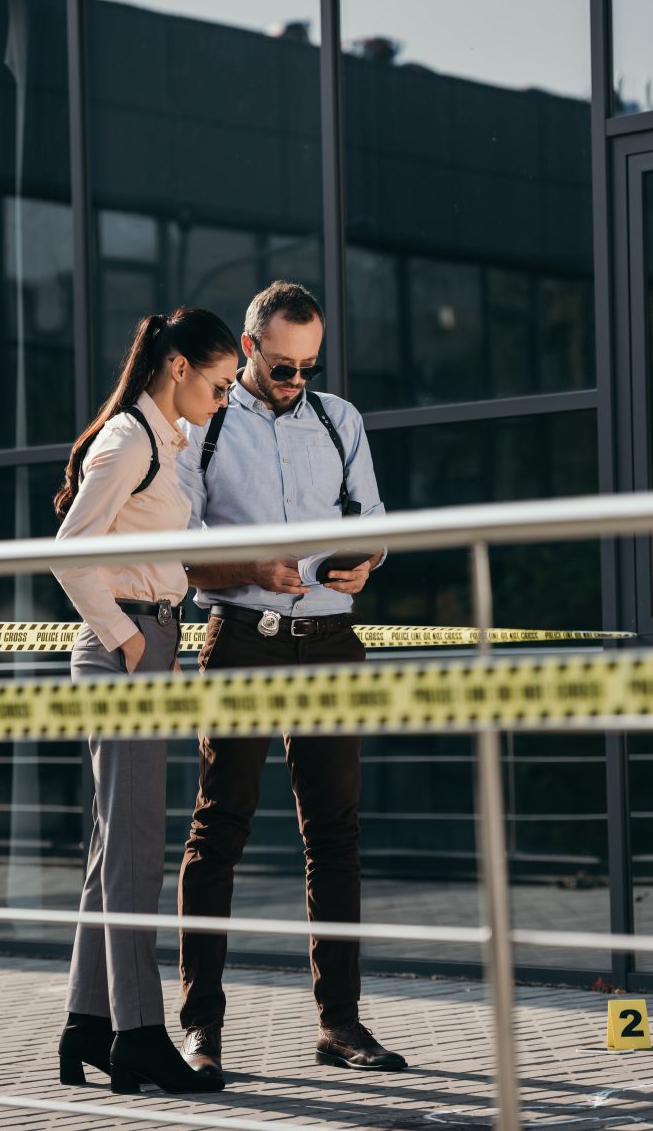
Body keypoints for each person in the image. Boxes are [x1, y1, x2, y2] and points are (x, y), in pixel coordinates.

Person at [176, 281, 407, 1081]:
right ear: (249, 349)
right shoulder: (203, 426)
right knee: (219, 829)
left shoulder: (341, 421)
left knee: (335, 835)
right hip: (242, 639)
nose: (297, 381)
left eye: (309, 366)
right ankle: (200, 1028)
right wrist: (252, 568)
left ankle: (340, 1024)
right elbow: (181, 556)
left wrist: (365, 563)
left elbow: (374, 522)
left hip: (331, 640)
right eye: (283, 366)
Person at [52, 308, 238, 1095]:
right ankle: (140, 1034)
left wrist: (163, 634)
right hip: (125, 651)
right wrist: (131, 640)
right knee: (135, 857)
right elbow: (69, 549)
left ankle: (87, 1025)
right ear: (178, 367)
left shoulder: (167, 441)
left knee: (111, 852)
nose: (225, 397)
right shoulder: (131, 440)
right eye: (220, 382)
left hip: (149, 643)